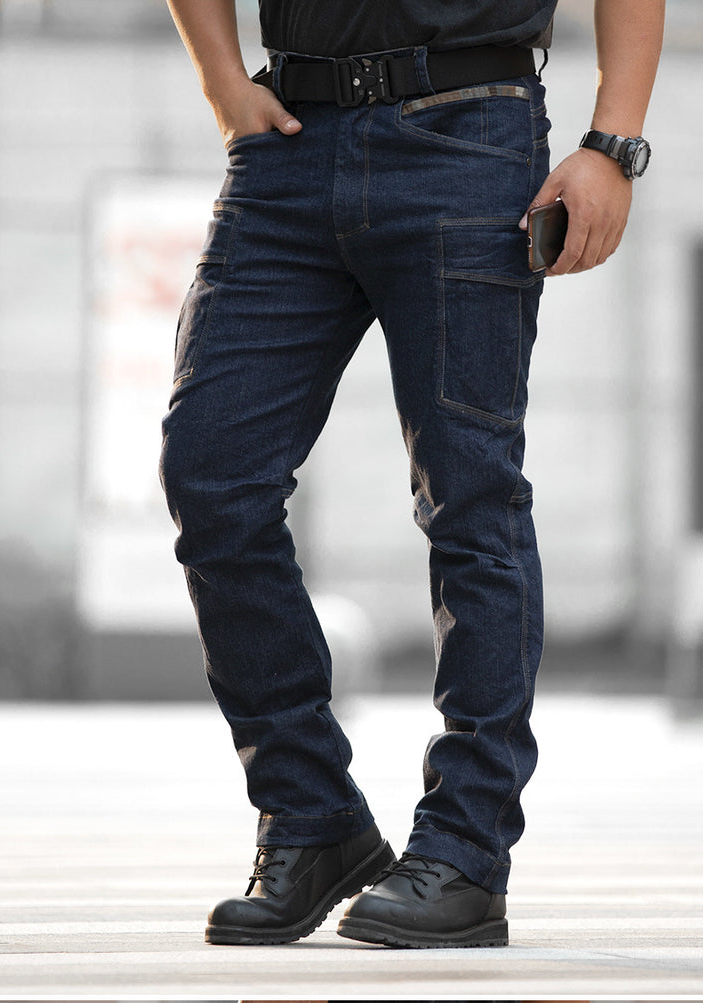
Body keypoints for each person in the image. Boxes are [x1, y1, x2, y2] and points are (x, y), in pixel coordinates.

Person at [160, 0, 664, 949]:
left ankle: (466, 853)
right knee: (209, 470)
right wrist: (222, 78)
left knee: (469, 494)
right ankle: (311, 821)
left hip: (469, 127)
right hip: (290, 138)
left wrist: (615, 141)